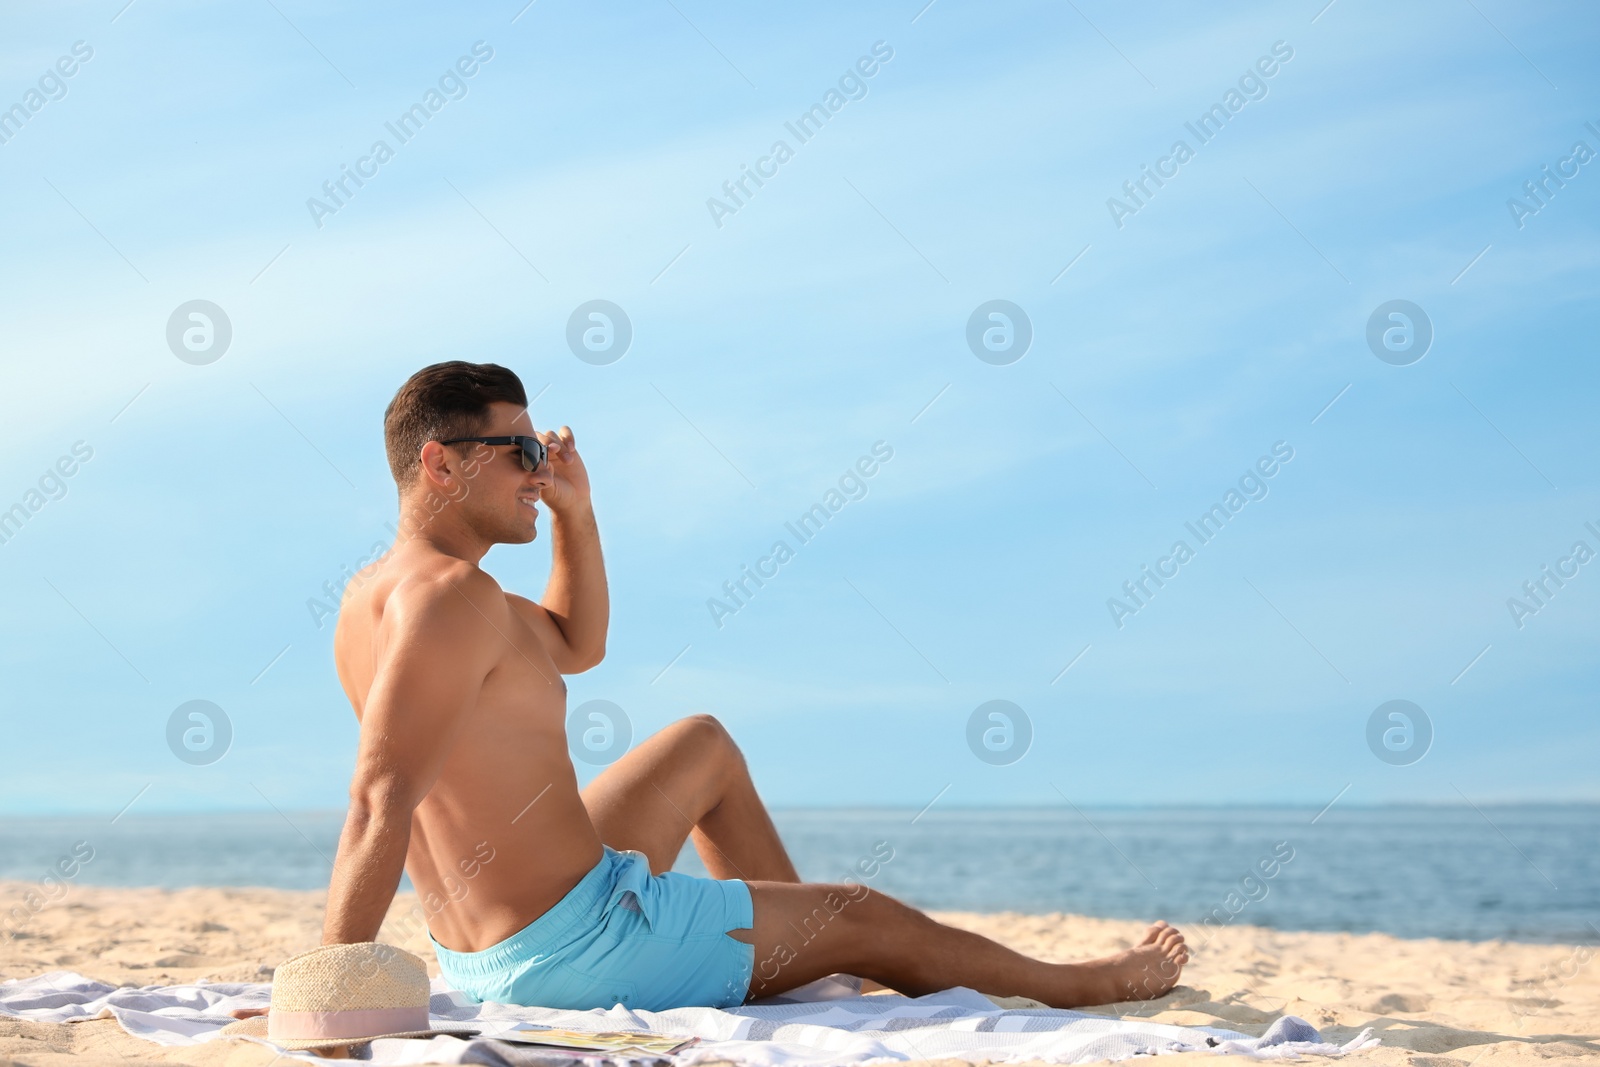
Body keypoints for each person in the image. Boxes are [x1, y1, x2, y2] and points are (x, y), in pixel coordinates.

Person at [318, 360, 1188, 1012]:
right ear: (440, 464)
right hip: (578, 949)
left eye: (539, 449)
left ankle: (800, 953)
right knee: (864, 910)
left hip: (497, 945)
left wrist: (576, 514)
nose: (537, 471)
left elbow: (578, 644)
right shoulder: (453, 598)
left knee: (700, 742)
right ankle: (1087, 981)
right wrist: (333, 994)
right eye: (519, 450)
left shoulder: (385, 597)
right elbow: (380, 796)